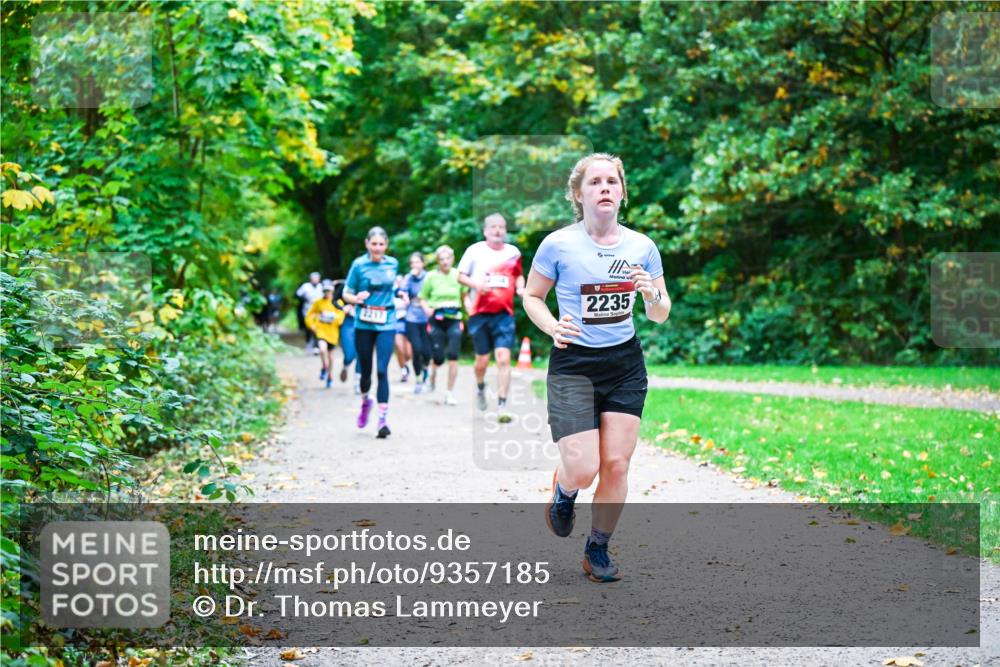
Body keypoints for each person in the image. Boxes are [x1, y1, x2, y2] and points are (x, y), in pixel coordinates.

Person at [522, 153, 670, 583]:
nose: (604, 188)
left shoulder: (642, 247)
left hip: (624, 363)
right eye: (595, 182)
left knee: (618, 464)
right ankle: (564, 491)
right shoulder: (558, 244)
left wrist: (651, 296)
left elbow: (661, 313)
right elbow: (532, 296)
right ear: (578, 193)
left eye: (612, 181)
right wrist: (552, 325)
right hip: (574, 362)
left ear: (622, 192)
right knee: (584, 468)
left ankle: (598, 549)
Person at [457, 214, 524, 412]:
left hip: (504, 313)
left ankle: (502, 404)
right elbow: (460, 276)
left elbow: (519, 276)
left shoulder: (513, 253)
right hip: (479, 313)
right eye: (493, 227)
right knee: (482, 361)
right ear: (485, 231)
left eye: (501, 227)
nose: (497, 231)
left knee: (503, 358)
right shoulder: (475, 250)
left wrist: (521, 289)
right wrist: (476, 284)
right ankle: (480, 386)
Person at [342, 227, 399, 439]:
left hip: (387, 322)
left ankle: (383, 420)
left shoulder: (393, 264)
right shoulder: (359, 265)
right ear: (367, 244)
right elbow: (346, 293)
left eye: (381, 244)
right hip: (364, 324)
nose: (377, 248)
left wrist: (401, 293)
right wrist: (355, 299)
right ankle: (366, 401)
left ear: (386, 245)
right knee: (365, 372)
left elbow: (393, 289)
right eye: (373, 244)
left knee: (382, 371)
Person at [418, 245, 464, 406]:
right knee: (438, 357)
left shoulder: (459, 275)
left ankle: (449, 392)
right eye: (442, 259)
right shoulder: (431, 277)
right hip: (436, 320)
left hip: (454, 319)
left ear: (453, 259)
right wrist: (426, 309)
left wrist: (471, 312)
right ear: (438, 261)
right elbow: (422, 297)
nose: (445, 262)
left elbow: (465, 296)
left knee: (453, 355)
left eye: (448, 258)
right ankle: (431, 379)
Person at [305, 280, 346, 388]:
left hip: (332, 333)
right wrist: (312, 325)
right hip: (321, 331)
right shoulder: (318, 302)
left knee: (331, 356)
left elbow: (341, 317)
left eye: (329, 290)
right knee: (322, 349)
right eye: (325, 291)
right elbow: (310, 315)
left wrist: (332, 317)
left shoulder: (338, 302)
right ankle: (324, 366)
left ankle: (330, 376)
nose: (327, 293)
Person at [400, 252, 432, 393]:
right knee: (416, 349)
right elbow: (401, 291)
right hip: (411, 318)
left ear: (423, 263)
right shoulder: (408, 278)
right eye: (412, 263)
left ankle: (425, 368)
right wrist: (404, 296)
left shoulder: (429, 277)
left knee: (426, 352)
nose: (415, 266)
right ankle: (418, 379)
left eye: (417, 262)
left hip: (426, 318)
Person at [295, 272, 324, 353]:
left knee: (317, 327)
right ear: (311, 279)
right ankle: (308, 342)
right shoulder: (305, 286)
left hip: (318, 311)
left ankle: (316, 345)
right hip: (307, 310)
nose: (315, 280)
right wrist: (305, 299)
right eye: (314, 278)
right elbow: (298, 294)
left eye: (317, 278)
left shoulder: (321, 287)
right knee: (308, 326)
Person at [392, 275, 412, 382]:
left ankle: (405, 363)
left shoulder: (409, 291)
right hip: (396, 322)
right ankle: (403, 369)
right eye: (397, 280)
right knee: (399, 347)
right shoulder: (392, 293)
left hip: (409, 322)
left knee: (408, 353)